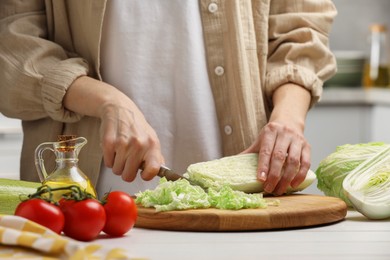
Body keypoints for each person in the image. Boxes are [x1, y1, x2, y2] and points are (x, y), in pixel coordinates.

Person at [0, 0, 337, 197]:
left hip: (241, 204)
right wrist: (108, 101)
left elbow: (301, 26)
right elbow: (13, 42)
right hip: (89, 209)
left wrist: (287, 121)